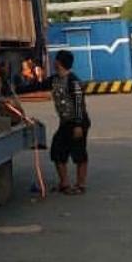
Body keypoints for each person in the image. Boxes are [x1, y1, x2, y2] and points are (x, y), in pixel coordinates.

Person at [49, 50, 90, 195]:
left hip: (78, 122)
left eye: (56, 60)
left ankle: (81, 184)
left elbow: (79, 103)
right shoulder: (54, 79)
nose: (54, 62)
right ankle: (64, 183)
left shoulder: (74, 81)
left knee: (79, 153)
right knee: (57, 150)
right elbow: (37, 85)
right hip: (65, 123)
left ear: (59, 63)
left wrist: (78, 125)